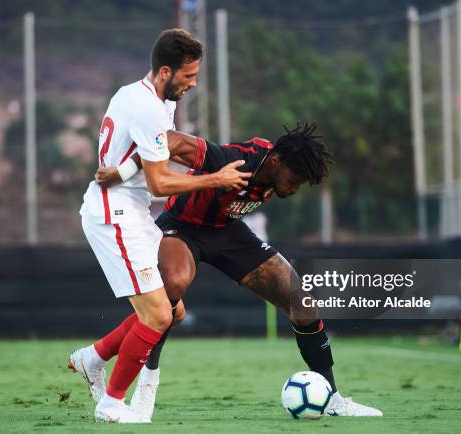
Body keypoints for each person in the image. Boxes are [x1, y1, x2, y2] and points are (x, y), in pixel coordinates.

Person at [96, 122, 383, 418]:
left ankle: (333, 399)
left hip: (225, 231)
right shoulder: (237, 158)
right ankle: (146, 385)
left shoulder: (273, 175)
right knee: (174, 284)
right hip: (180, 226)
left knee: (303, 304)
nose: (295, 188)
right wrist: (124, 171)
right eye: (294, 178)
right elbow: (168, 141)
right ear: (275, 160)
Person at [69, 29, 251, 424]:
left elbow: (151, 149)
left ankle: (94, 357)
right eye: (189, 76)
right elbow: (160, 183)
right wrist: (215, 179)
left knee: (173, 309)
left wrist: (120, 170)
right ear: (165, 71)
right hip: (113, 215)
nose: (193, 84)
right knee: (156, 316)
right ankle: (112, 404)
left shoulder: (139, 95)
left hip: (129, 208)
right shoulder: (149, 108)